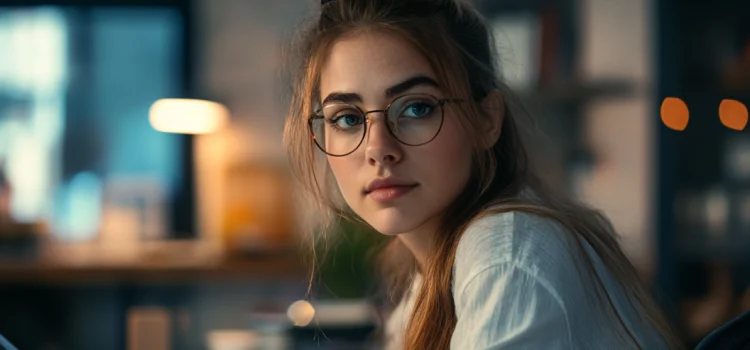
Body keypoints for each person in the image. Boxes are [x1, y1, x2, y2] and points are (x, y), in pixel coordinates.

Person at [283, 0, 683, 349]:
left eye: (416, 108)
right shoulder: (428, 278)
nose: (378, 149)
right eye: (348, 118)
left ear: (487, 119)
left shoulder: (505, 257)